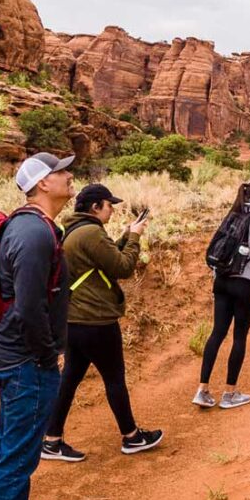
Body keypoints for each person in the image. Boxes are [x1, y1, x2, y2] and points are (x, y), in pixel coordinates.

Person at [0, 152, 74, 500]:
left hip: (12, 355)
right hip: (25, 361)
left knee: (12, 449)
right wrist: (46, 355)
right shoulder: (35, 233)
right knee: (16, 459)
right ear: (43, 184)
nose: (69, 176)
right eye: (62, 172)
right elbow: (29, 308)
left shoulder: (29, 225)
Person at [41, 183, 163, 462]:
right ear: (95, 207)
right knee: (114, 379)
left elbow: (104, 260)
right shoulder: (92, 232)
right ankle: (131, 437)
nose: (112, 210)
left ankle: (51, 439)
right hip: (96, 320)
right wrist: (134, 238)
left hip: (75, 319)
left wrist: (125, 235)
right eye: (109, 205)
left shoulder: (76, 230)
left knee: (69, 379)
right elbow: (123, 267)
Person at [193, 178, 250, 410]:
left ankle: (202, 390)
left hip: (221, 280)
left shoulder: (234, 213)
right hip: (245, 284)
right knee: (239, 336)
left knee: (217, 333)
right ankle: (229, 394)